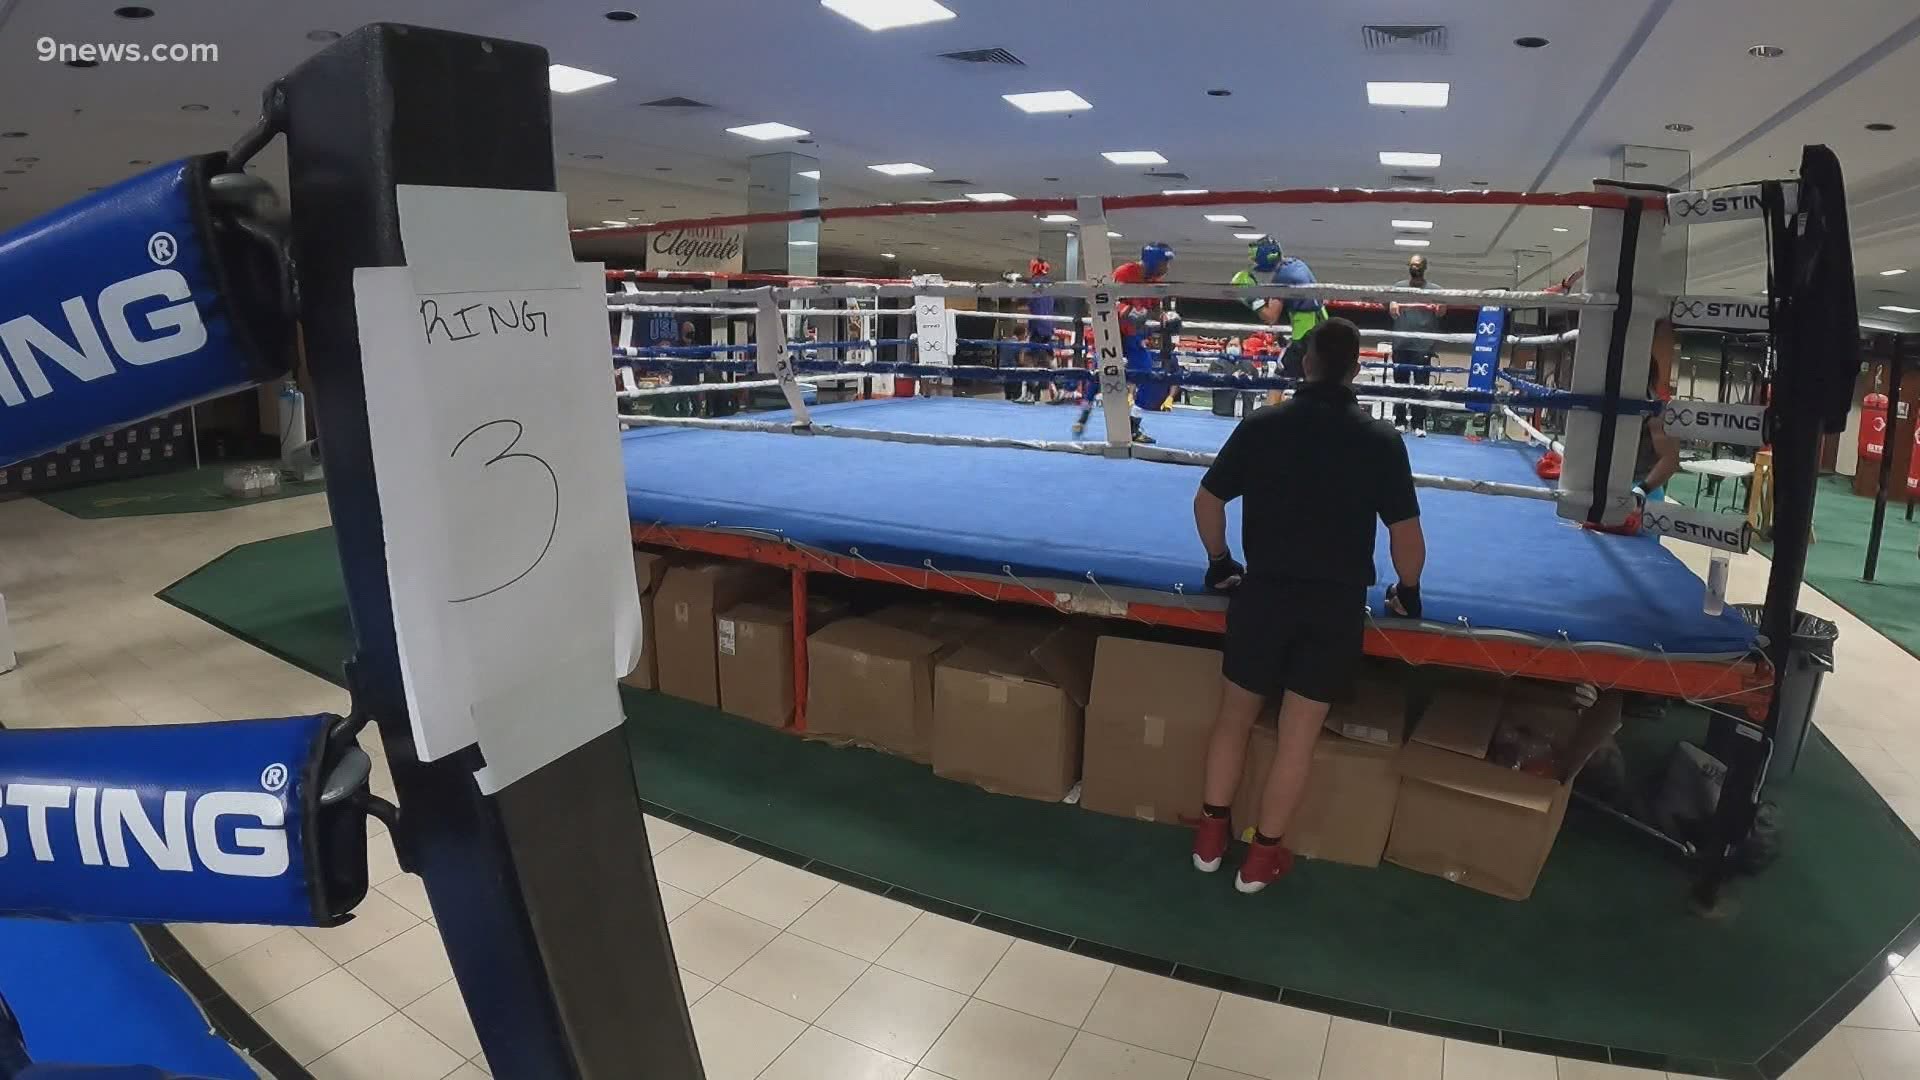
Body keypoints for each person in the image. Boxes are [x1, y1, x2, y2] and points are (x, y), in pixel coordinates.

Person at [1188, 318, 1427, 893]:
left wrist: (1221, 564)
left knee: (1232, 721)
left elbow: (1206, 502)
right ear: (1355, 369)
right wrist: (1408, 592)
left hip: (1263, 594)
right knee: (1297, 738)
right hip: (1334, 606)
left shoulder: (1262, 426)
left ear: (1305, 363)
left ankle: (1210, 839)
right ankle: (1261, 859)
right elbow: (1407, 538)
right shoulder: (1380, 441)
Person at [1073, 242, 1174, 444]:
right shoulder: (1125, 272)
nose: (1167, 268)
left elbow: (1153, 309)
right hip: (1110, 331)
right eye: (1164, 262)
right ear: (1153, 261)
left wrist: (1165, 317)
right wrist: (1127, 311)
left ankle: (1133, 425)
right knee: (1102, 374)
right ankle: (1084, 413)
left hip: (1132, 335)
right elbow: (1104, 300)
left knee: (1147, 375)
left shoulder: (1154, 282)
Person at [1388, 255, 1442, 436]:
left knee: (1421, 386)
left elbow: (1442, 311)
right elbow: (1392, 310)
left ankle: (1419, 424)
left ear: (1424, 267)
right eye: (1411, 265)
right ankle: (1400, 421)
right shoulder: (1398, 287)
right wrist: (1394, 304)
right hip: (1401, 343)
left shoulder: (1435, 289)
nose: (1414, 267)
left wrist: (1438, 304)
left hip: (1423, 345)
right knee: (1400, 384)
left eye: (1417, 265)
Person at [1021, 258, 1060, 403]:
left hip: (1038, 327)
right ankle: (1060, 390)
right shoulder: (1049, 285)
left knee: (1029, 359)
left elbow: (1025, 299)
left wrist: (1015, 280)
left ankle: (1031, 393)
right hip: (1047, 326)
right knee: (1049, 360)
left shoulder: (1034, 283)